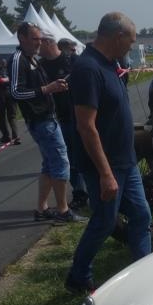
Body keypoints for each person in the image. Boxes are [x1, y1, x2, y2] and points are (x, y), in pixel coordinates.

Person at [65, 12, 150, 295]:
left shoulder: (110, 64)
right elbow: (86, 126)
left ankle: (146, 273)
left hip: (125, 161)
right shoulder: (88, 69)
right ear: (117, 37)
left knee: (141, 216)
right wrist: (105, 174)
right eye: (131, 40)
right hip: (106, 166)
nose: (131, 46)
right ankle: (78, 277)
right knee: (103, 222)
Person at [10, 22, 84, 223]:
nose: (39, 43)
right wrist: (47, 89)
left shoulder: (32, 59)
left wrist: (52, 88)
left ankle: (42, 208)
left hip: (48, 118)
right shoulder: (18, 60)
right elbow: (16, 92)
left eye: (41, 39)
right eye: (35, 39)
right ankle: (63, 210)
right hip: (41, 120)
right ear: (22, 38)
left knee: (49, 165)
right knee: (61, 162)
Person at [40, 34, 88, 210]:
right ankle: (79, 193)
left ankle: (97, 189)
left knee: (87, 153)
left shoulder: (73, 61)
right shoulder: (41, 66)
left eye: (40, 42)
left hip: (79, 115)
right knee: (69, 159)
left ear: (48, 43)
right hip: (56, 118)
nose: (38, 47)